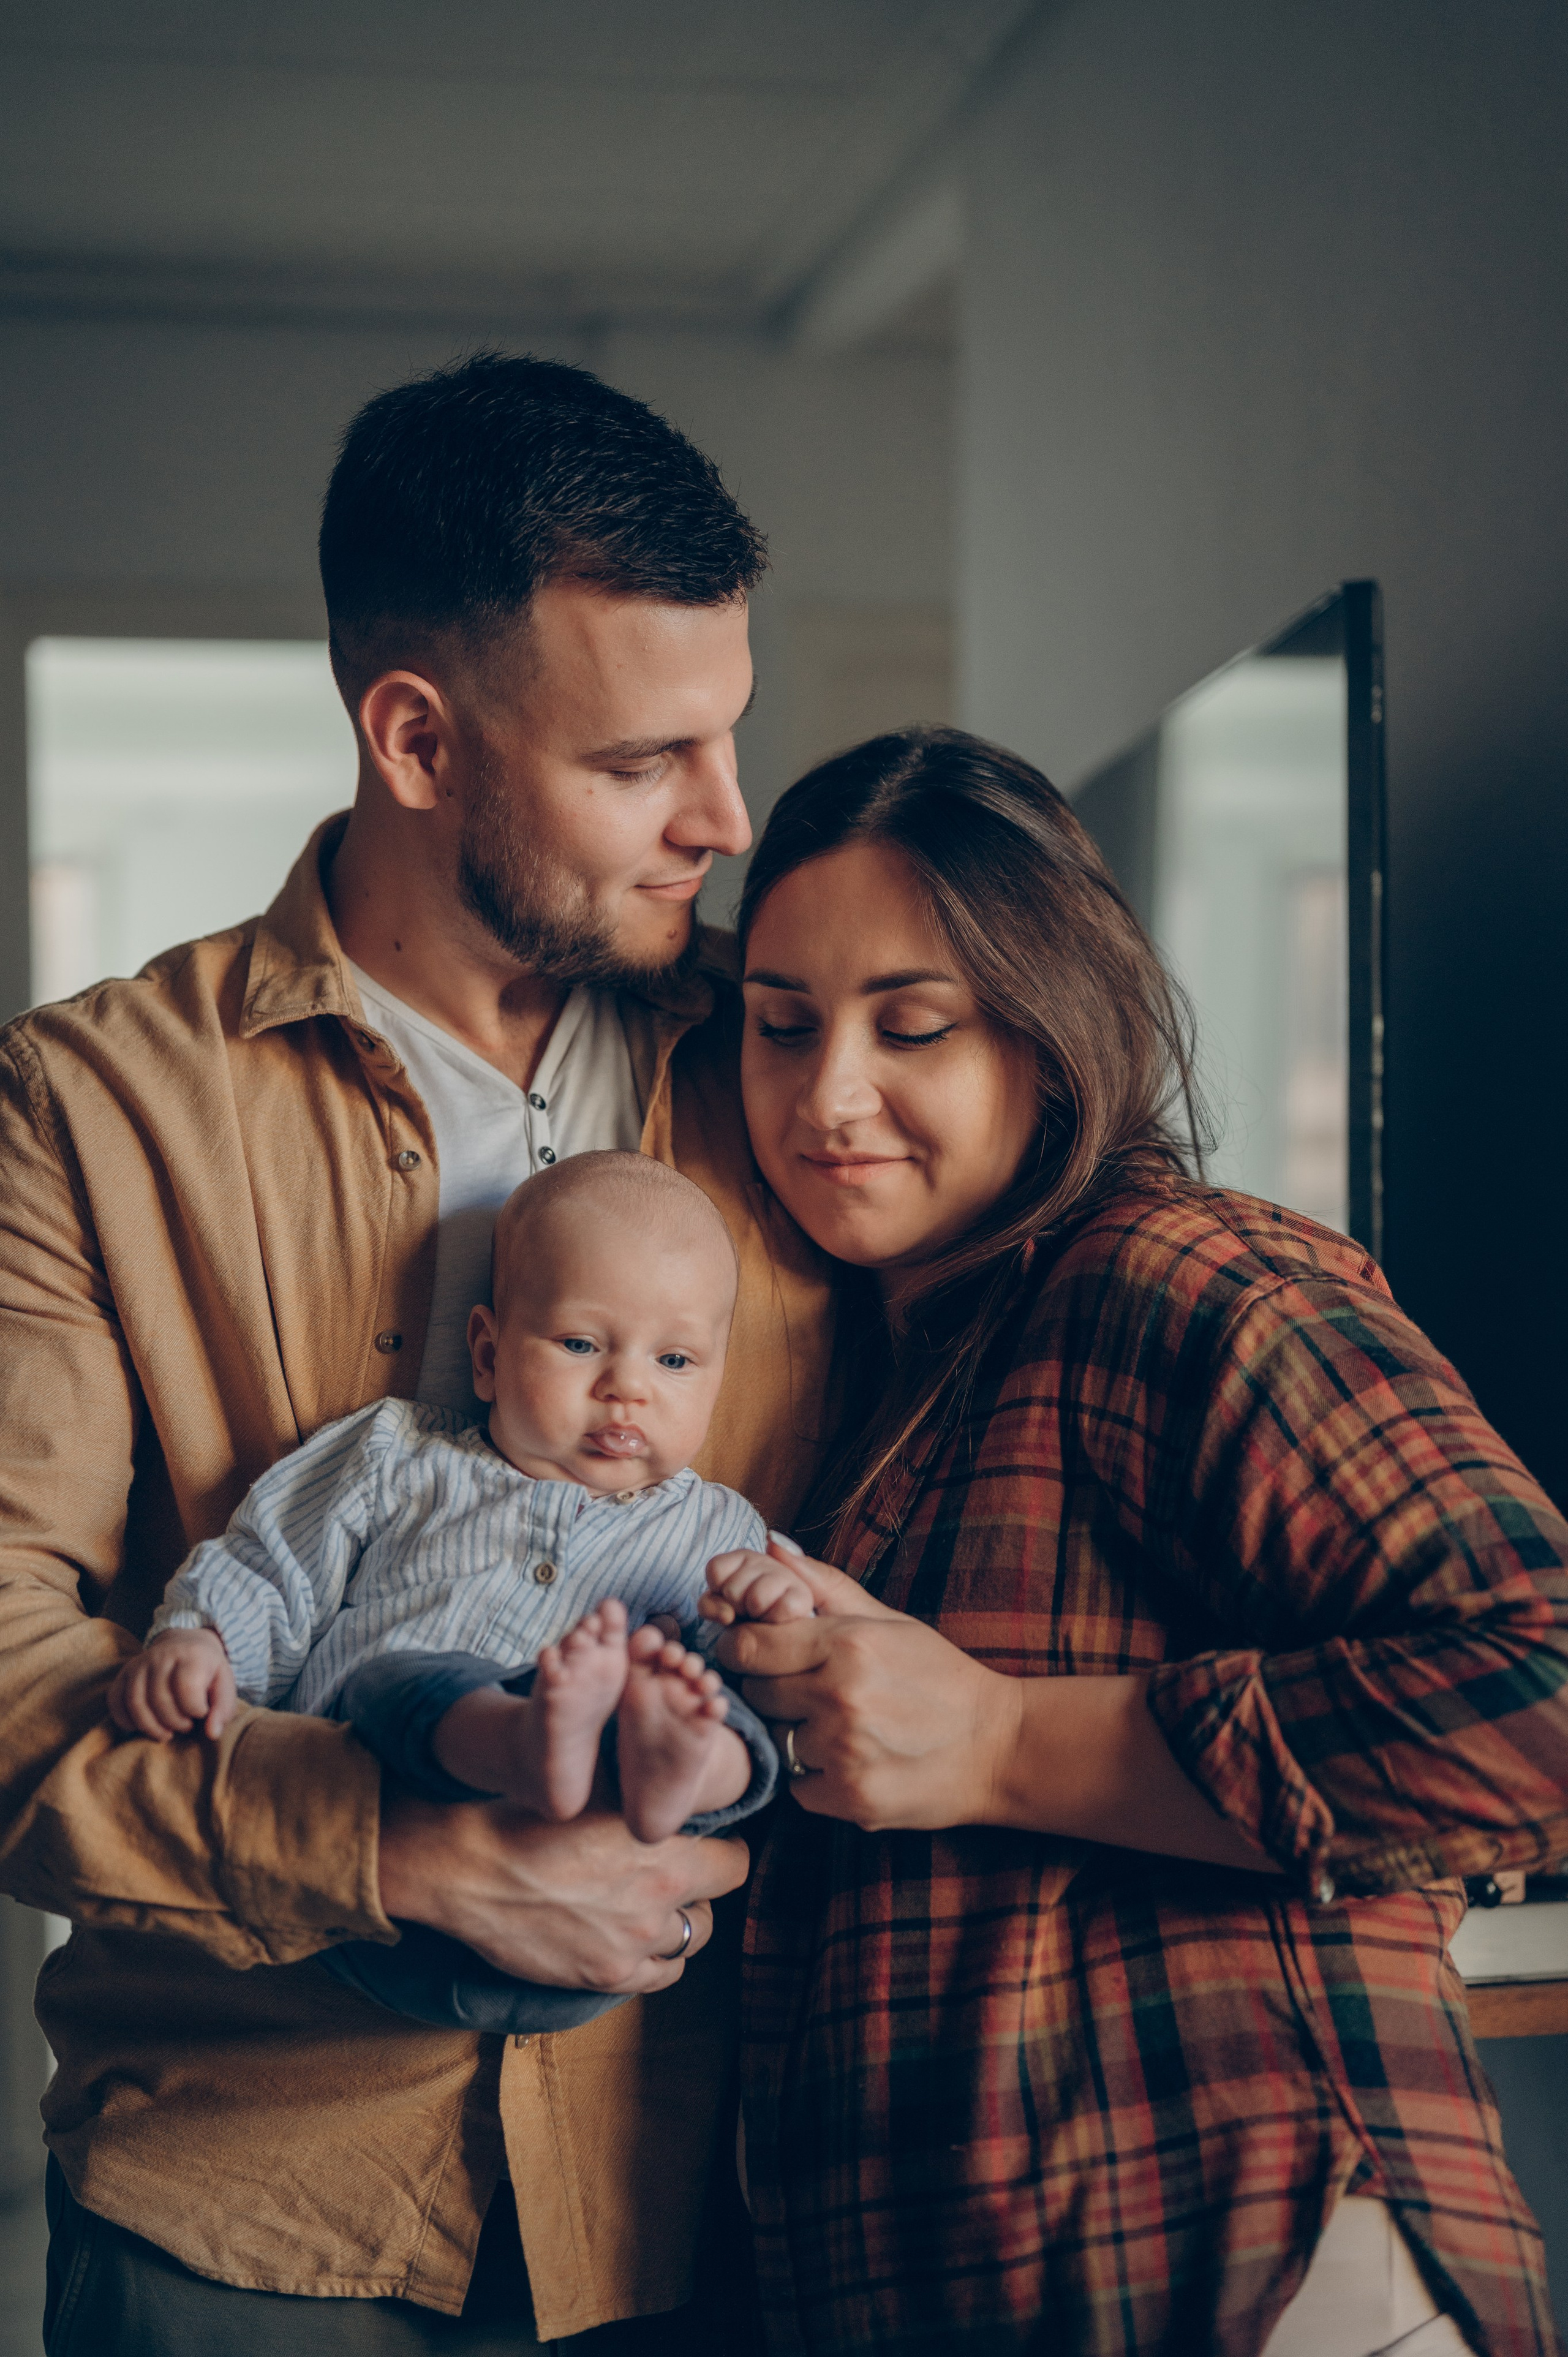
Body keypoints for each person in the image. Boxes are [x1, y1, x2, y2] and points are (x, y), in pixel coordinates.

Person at [0, 352, 836, 2352]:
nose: (726, 815)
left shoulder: (809, 1068)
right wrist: (392, 1841)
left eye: (725, 736)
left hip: (731, 2184)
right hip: (258, 2194)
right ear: (415, 734)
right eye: (646, 760)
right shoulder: (86, 1102)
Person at [710, 726, 1568, 2357]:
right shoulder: (883, 1379)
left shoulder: (1182, 1276)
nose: (827, 1095)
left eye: (912, 1026)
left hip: (1265, 2287)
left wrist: (1012, 1743)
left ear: (1049, 1037)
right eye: (778, 1026)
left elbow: (1544, 1692)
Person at [105, 1153, 803, 2035]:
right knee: (399, 1682)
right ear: (487, 1353)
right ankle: (520, 1736)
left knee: (724, 1711)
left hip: (594, 1933)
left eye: (675, 1358)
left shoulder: (718, 1530)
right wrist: (201, 1639)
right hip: (376, 1877)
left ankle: (672, 1768)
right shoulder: (398, 1456)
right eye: (581, 1344)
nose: (627, 1386)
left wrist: (773, 1607)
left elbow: (775, 1661)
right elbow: (271, 1561)